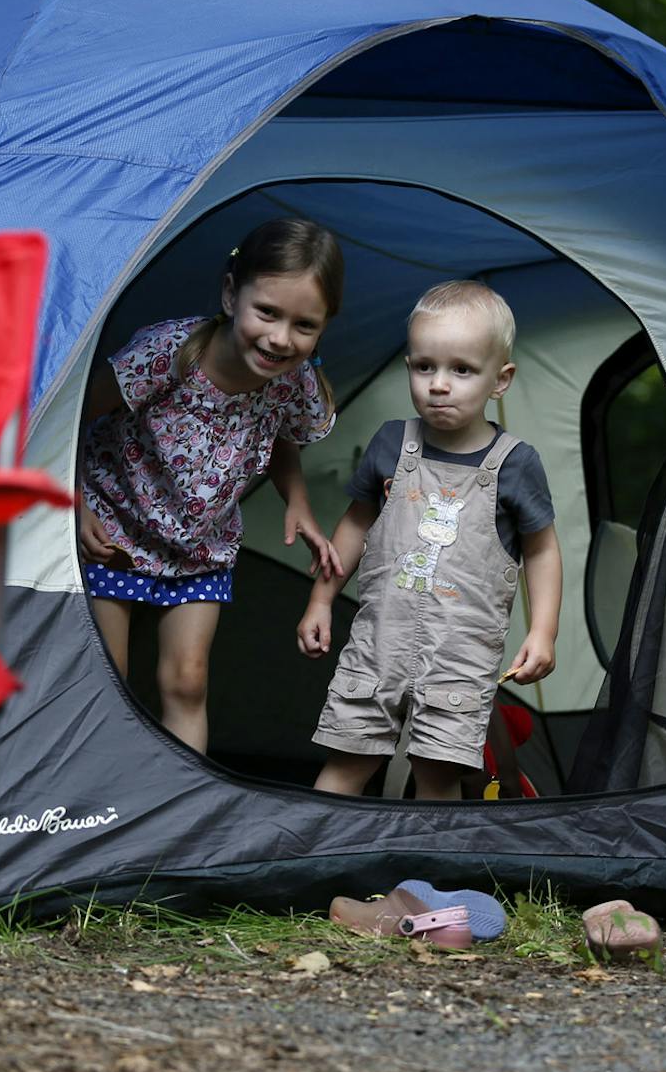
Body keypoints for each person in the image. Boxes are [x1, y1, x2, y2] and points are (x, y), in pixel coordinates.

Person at [78, 218, 343, 752]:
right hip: (113, 528)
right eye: (267, 311)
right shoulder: (170, 354)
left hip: (201, 544)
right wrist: (74, 504)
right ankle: (97, 805)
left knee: (188, 680)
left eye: (304, 325)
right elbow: (74, 416)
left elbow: (282, 438)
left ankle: (178, 810)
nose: (280, 337)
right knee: (105, 678)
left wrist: (297, 500)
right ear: (230, 293)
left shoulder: (294, 382)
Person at [297, 280, 560, 799]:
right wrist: (321, 600)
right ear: (409, 366)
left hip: (460, 656)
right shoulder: (392, 443)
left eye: (461, 370)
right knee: (348, 758)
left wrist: (543, 632)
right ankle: (310, 866)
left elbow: (542, 549)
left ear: (499, 379)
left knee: (438, 776)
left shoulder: (515, 463)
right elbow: (355, 524)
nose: (439, 384)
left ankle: (425, 880)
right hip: (378, 645)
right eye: (425, 367)